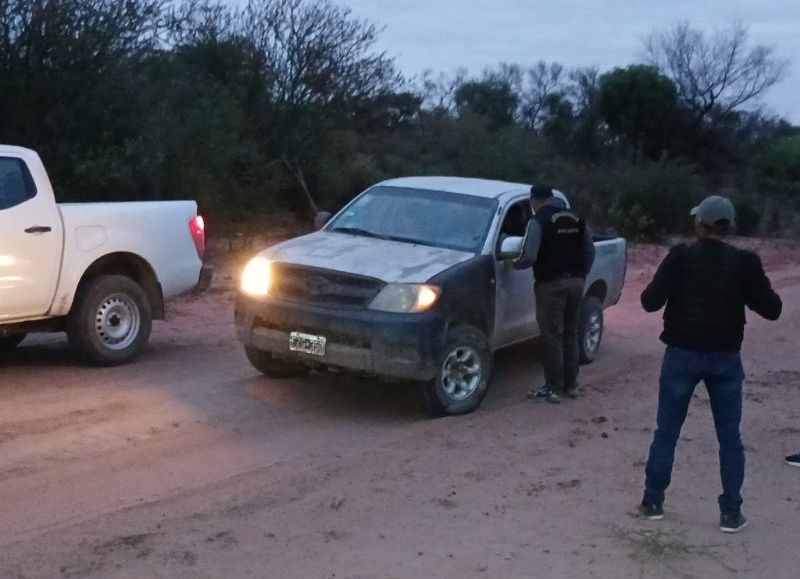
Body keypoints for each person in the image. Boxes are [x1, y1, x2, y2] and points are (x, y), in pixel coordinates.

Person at [638, 195, 782, 533]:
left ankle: (653, 500)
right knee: (729, 436)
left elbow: (648, 302)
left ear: (699, 224)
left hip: (681, 355)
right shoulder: (744, 262)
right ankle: (731, 512)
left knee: (667, 432)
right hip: (725, 358)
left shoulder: (680, 257)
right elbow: (772, 309)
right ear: (726, 227)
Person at [515, 184, 595, 404]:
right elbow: (589, 251)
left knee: (552, 336)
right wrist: (579, 276)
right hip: (576, 283)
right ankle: (572, 385)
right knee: (571, 333)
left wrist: (515, 263)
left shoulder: (538, 221)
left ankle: (552, 387)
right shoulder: (576, 219)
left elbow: (529, 256)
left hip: (550, 285)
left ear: (534, 200)